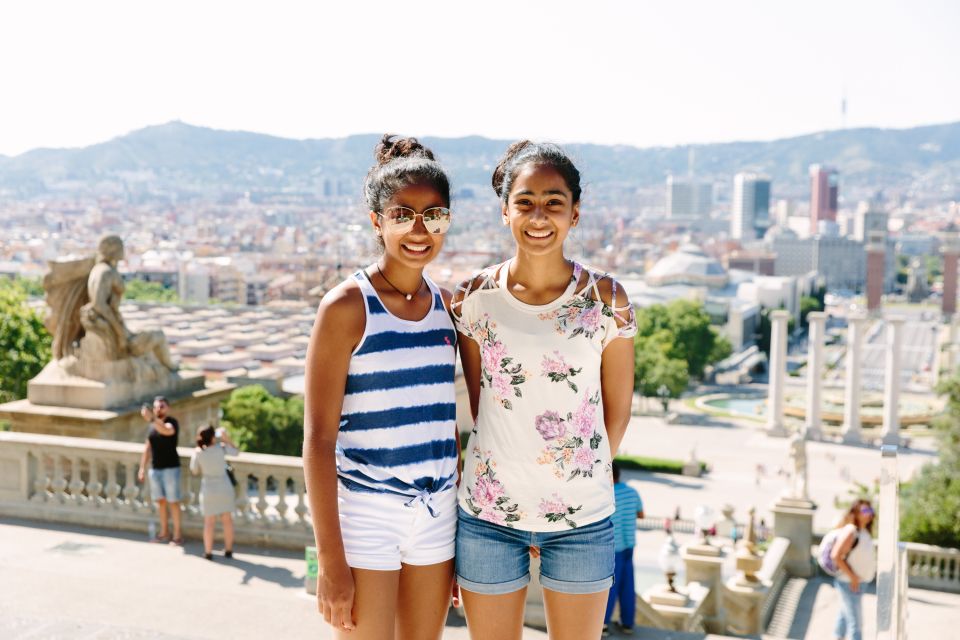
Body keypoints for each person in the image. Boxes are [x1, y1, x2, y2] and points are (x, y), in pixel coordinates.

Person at [452, 141, 637, 640]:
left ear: (574, 214)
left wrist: (578, 481)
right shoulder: (472, 300)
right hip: (488, 516)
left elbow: (618, 410)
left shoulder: (607, 300)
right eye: (525, 201)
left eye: (554, 202)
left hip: (583, 519)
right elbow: (480, 403)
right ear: (504, 211)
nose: (539, 215)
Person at [302, 135, 460, 640]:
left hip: (437, 515)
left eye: (434, 216)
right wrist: (330, 561)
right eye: (403, 214)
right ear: (377, 222)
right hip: (366, 515)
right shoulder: (347, 307)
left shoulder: (447, 308)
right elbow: (319, 440)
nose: (420, 229)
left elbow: (448, 425)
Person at [603, 462, 644, 636]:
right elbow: (641, 515)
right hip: (629, 546)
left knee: (610, 586)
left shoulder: (607, 495)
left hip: (613, 547)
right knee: (628, 585)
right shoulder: (632, 492)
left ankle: (603, 623)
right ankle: (628, 623)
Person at [137, 396, 183, 544]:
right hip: (155, 469)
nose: (158, 409)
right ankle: (164, 532)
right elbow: (147, 448)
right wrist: (142, 468)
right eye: (156, 407)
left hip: (171, 468)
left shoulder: (171, 422)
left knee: (173, 502)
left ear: (168, 408)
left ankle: (177, 535)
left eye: (162, 406)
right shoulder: (152, 427)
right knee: (161, 502)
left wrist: (151, 419)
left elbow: (166, 431)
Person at [190, 425, 238, 560]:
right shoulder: (221, 448)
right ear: (213, 436)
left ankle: (208, 552)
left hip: (208, 490)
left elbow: (194, 470)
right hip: (224, 488)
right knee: (227, 521)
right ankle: (228, 550)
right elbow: (236, 452)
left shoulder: (198, 452)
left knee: (209, 523)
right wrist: (226, 438)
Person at [831, 499, 876, 640]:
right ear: (855, 513)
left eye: (870, 511)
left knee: (845, 616)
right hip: (849, 583)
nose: (868, 514)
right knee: (856, 624)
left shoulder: (865, 532)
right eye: (865, 511)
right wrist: (853, 577)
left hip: (858, 583)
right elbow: (835, 555)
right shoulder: (851, 531)